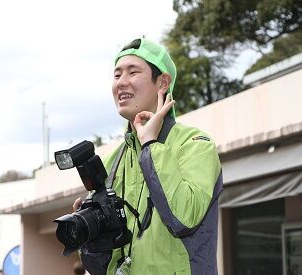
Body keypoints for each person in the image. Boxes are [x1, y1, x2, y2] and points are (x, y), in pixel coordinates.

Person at [76, 38, 223, 275]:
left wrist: (150, 144)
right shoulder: (113, 161)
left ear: (163, 82)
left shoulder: (196, 144)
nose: (122, 82)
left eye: (133, 72)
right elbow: (102, 267)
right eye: (116, 75)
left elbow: (184, 217)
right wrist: (92, 233)